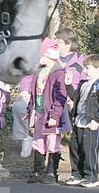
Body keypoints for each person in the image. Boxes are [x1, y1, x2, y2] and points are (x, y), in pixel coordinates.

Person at [19, 38, 71, 184]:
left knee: (52, 142)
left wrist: (55, 115)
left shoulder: (58, 72)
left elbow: (60, 96)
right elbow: (34, 92)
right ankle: (37, 170)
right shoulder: (38, 71)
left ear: (49, 55)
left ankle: (52, 172)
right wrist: (31, 110)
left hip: (52, 114)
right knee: (38, 141)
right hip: (40, 112)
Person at [64, 54, 99, 188]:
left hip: (91, 123)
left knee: (88, 150)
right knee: (75, 148)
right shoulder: (84, 83)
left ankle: (91, 176)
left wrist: (97, 120)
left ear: (98, 69)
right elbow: (75, 98)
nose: (84, 71)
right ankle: (76, 174)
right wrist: (68, 85)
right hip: (79, 121)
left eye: (88, 68)